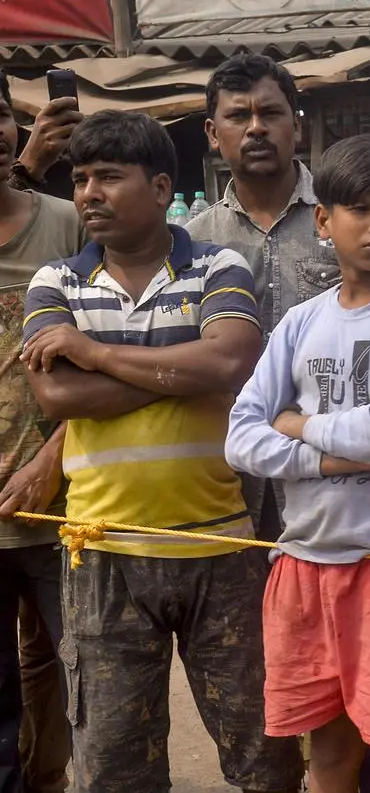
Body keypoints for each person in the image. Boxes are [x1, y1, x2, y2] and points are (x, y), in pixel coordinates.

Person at [20, 110, 304, 793]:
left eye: (109, 177)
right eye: (81, 178)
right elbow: (58, 398)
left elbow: (234, 359)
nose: (89, 193)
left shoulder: (218, 264)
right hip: (105, 555)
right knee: (118, 766)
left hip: (220, 549)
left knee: (266, 757)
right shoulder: (54, 281)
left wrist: (93, 353)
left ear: (159, 185)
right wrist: (183, 366)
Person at [225, 133, 370, 793]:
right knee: (327, 756)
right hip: (305, 565)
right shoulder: (299, 323)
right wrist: (328, 461)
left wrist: (297, 426)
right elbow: (240, 438)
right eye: (360, 209)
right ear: (324, 219)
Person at [187, 53, 336, 542]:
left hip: (332, 465)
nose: (256, 129)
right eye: (238, 116)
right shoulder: (191, 243)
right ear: (212, 133)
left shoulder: (345, 222)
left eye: (270, 114)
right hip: (227, 475)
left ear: (296, 126)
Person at [0, 74, 83, 793]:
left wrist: (52, 460)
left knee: (79, 669)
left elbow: (115, 343)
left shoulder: (66, 223)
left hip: (65, 509)